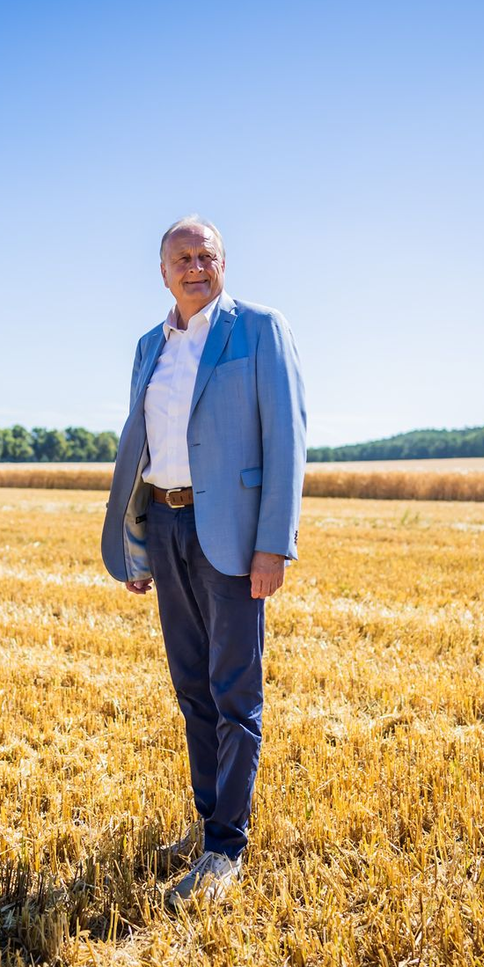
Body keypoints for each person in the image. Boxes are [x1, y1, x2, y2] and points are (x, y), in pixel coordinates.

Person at [100, 215, 306, 909]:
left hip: (232, 533)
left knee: (234, 695)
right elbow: (140, 445)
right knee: (191, 688)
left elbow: (287, 439)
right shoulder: (147, 347)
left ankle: (226, 848)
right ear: (162, 272)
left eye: (206, 254)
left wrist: (274, 542)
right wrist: (136, 541)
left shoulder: (259, 329)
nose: (195, 265)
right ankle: (206, 817)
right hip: (164, 523)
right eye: (181, 257)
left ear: (223, 263)